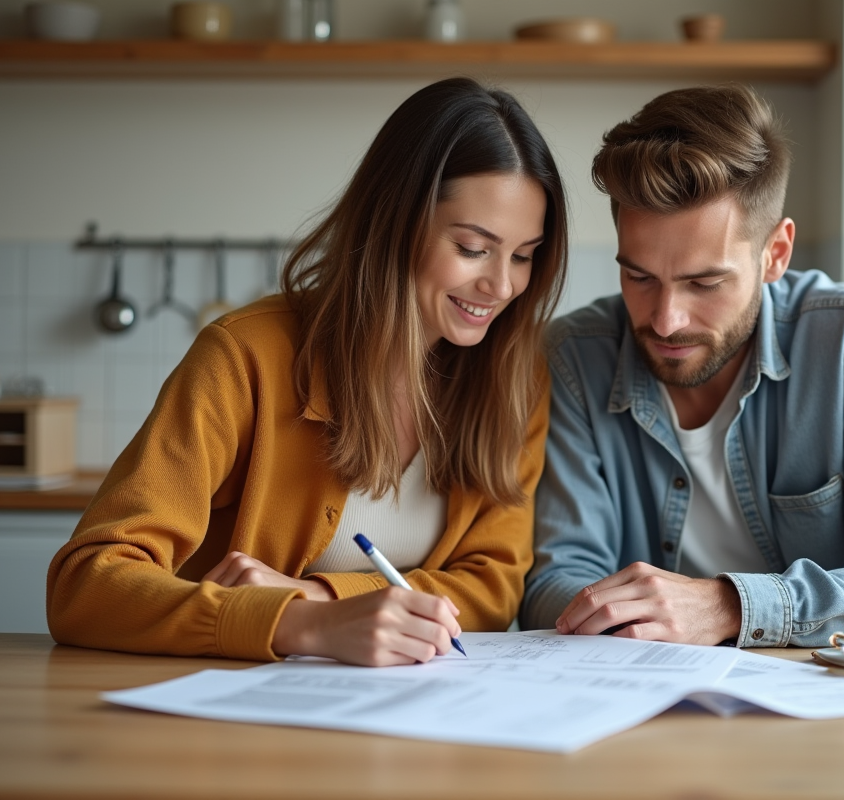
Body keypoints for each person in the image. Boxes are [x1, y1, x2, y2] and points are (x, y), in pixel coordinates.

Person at [48, 77, 568, 667]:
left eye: (524, 256)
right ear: (395, 222)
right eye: (474, 248)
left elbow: (492, 585)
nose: (502, 285)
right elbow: (85, 585)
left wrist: (321, 597)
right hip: (223, 714)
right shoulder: (243, 356)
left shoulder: (514, 379)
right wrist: (303, 625)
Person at [520, 85, 844, 648]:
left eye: (704, 283)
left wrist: (732, 606)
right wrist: (637, 619)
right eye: (639, 277)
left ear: (775, 255)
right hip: (640, 693)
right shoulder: (571, 358)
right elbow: (552, 581)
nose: (665, 320)